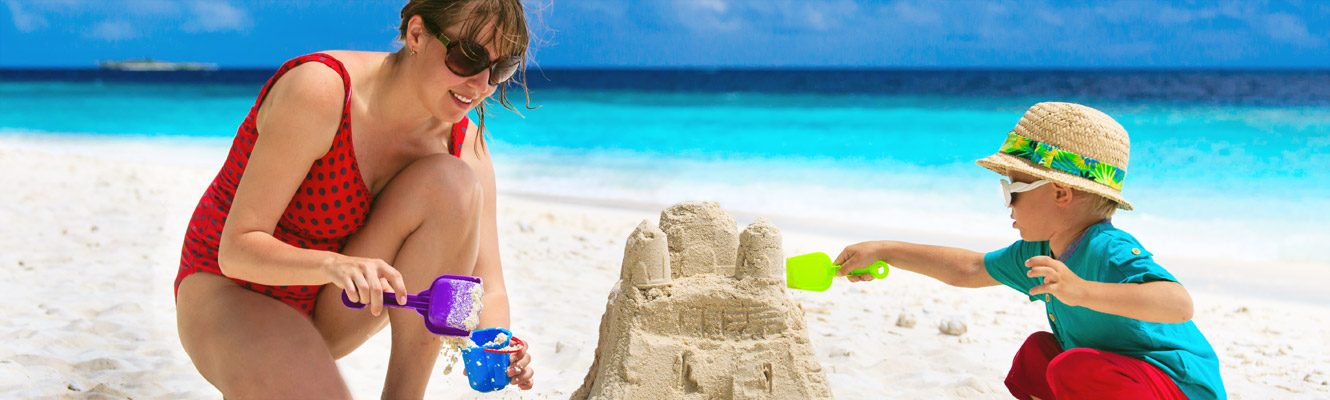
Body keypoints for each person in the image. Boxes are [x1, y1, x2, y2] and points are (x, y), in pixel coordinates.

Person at [172, 0, 536, 397]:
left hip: (331, 308)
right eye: (468, 57)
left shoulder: (464, 146)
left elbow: (486, 287)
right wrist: (334, 265)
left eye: (501, 69)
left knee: (455, 184)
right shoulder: (323, 90)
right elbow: (236, 250)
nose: (482, 85)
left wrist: (497, 345)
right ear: (417, 35)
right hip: (232, 291)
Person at [833, 102, 1225, 399]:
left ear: (1060, 193)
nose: (1008, 204)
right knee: (1038, 354)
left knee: (1072, 367)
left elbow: (1178, 304)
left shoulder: (1109, 249)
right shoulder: (1036, 252)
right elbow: (969, 269)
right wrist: (886, 251)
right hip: (1117, 376)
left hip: (1178, 386)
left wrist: (1079, 290)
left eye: (1014, 190)